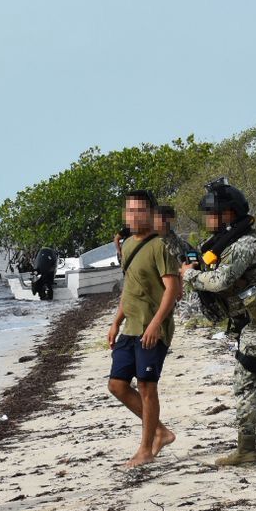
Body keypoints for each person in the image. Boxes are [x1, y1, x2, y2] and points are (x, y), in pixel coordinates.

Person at [180, 179, 256, 467]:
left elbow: (221, 281)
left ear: (228, 214)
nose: (207, 220)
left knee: (245, 386)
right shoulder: (234, 243)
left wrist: (189, 276)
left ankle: (246, 450)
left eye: (212, 213)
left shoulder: (247, 244)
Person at [105, 190, 180, 467]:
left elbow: (173, 289)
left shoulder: (161, 246)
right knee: (117, 385)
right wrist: (116, 322)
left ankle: (146, 449)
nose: (134, 216)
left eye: (140, 210)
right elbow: (129, 289)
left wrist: (156, 325)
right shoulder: (126, 246)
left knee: (147, 386)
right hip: (131, 328)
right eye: (130, 211)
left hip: (153, 328)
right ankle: (160, 431)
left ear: (150, 214)